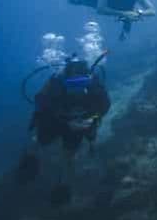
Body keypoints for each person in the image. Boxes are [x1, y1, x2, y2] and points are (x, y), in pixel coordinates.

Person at [16, 53, 111, 205]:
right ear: (67, 74)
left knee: (69, 154)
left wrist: (91, 119)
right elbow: (41, 102)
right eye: (72, 82)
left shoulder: (93, 83)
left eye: (81, 81)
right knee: (42, 141)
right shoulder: (56, 82)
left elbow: (104, 105)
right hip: (55, 122)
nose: (77, 87)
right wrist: (64, 119)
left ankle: (62, 186)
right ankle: (30, 161)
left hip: (79, 124)